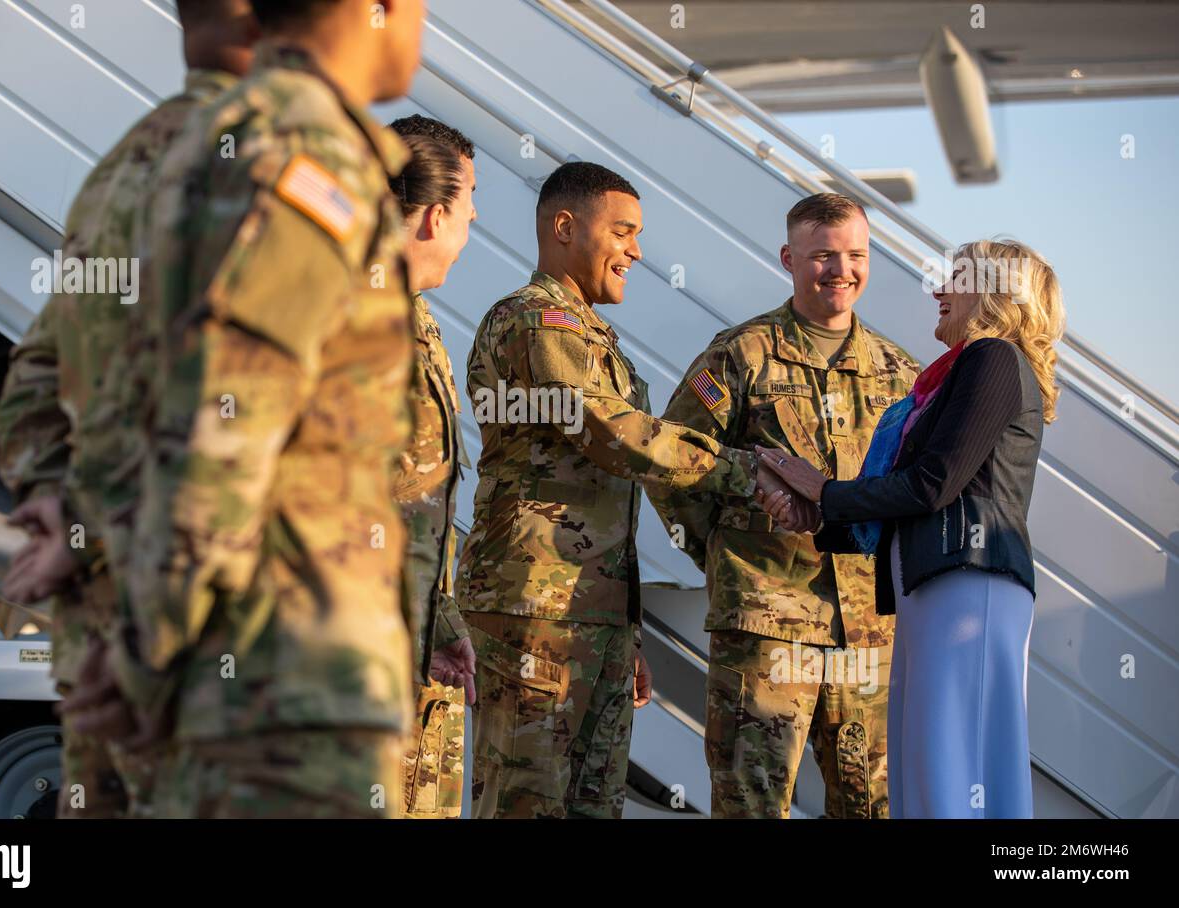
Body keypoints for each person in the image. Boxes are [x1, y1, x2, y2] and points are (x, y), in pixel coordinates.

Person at [62, 0, 428, 819]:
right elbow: (226, 421)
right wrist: (148, 652)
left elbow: (135, 409)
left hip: (258, 668)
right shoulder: (308, 150)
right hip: (285, 676)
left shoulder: (234, 134)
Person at [0, 0, 259, 819]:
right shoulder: (263, 161)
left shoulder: (124, 165)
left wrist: (58, 514)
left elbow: (39, 364)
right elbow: (223, 401)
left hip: (107, 615)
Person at [456, 161, 761, 819]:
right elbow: (616, 435)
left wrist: (626, 633)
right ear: (565, 227)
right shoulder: (536, 323)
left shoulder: (593, 336)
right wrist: (751, 472)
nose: (637, 251)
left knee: (592, 806)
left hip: (587, 620)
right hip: (535, 619)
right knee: (527, 805)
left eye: (639, 235)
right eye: (623, 231)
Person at [757, 238, 1065, 819]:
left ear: (998, 293)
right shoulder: (951, 377)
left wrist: (824, 491)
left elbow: (934, 483)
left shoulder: (993, 357)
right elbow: (919, 503)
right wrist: (820, 515)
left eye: (957, 278)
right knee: (927, 771)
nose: (940, 289)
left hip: (968, 587)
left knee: (953, 770)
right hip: (936, 589)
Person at [646, 192, 920, 818]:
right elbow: (670, 463)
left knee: (873, 805)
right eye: (823, 255)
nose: (841, 270)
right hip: (766, 625)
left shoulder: (899, 373)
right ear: (789, 258)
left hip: (869, 637)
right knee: (751, 801)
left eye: (855, 255)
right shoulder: (739, 356)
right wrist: (719, 554)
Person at [387, 114, 479, 819]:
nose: (472, 222)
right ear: (435, 216)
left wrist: (441, 620)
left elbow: (415, 500)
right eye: (468, 204)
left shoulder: (417, 323)